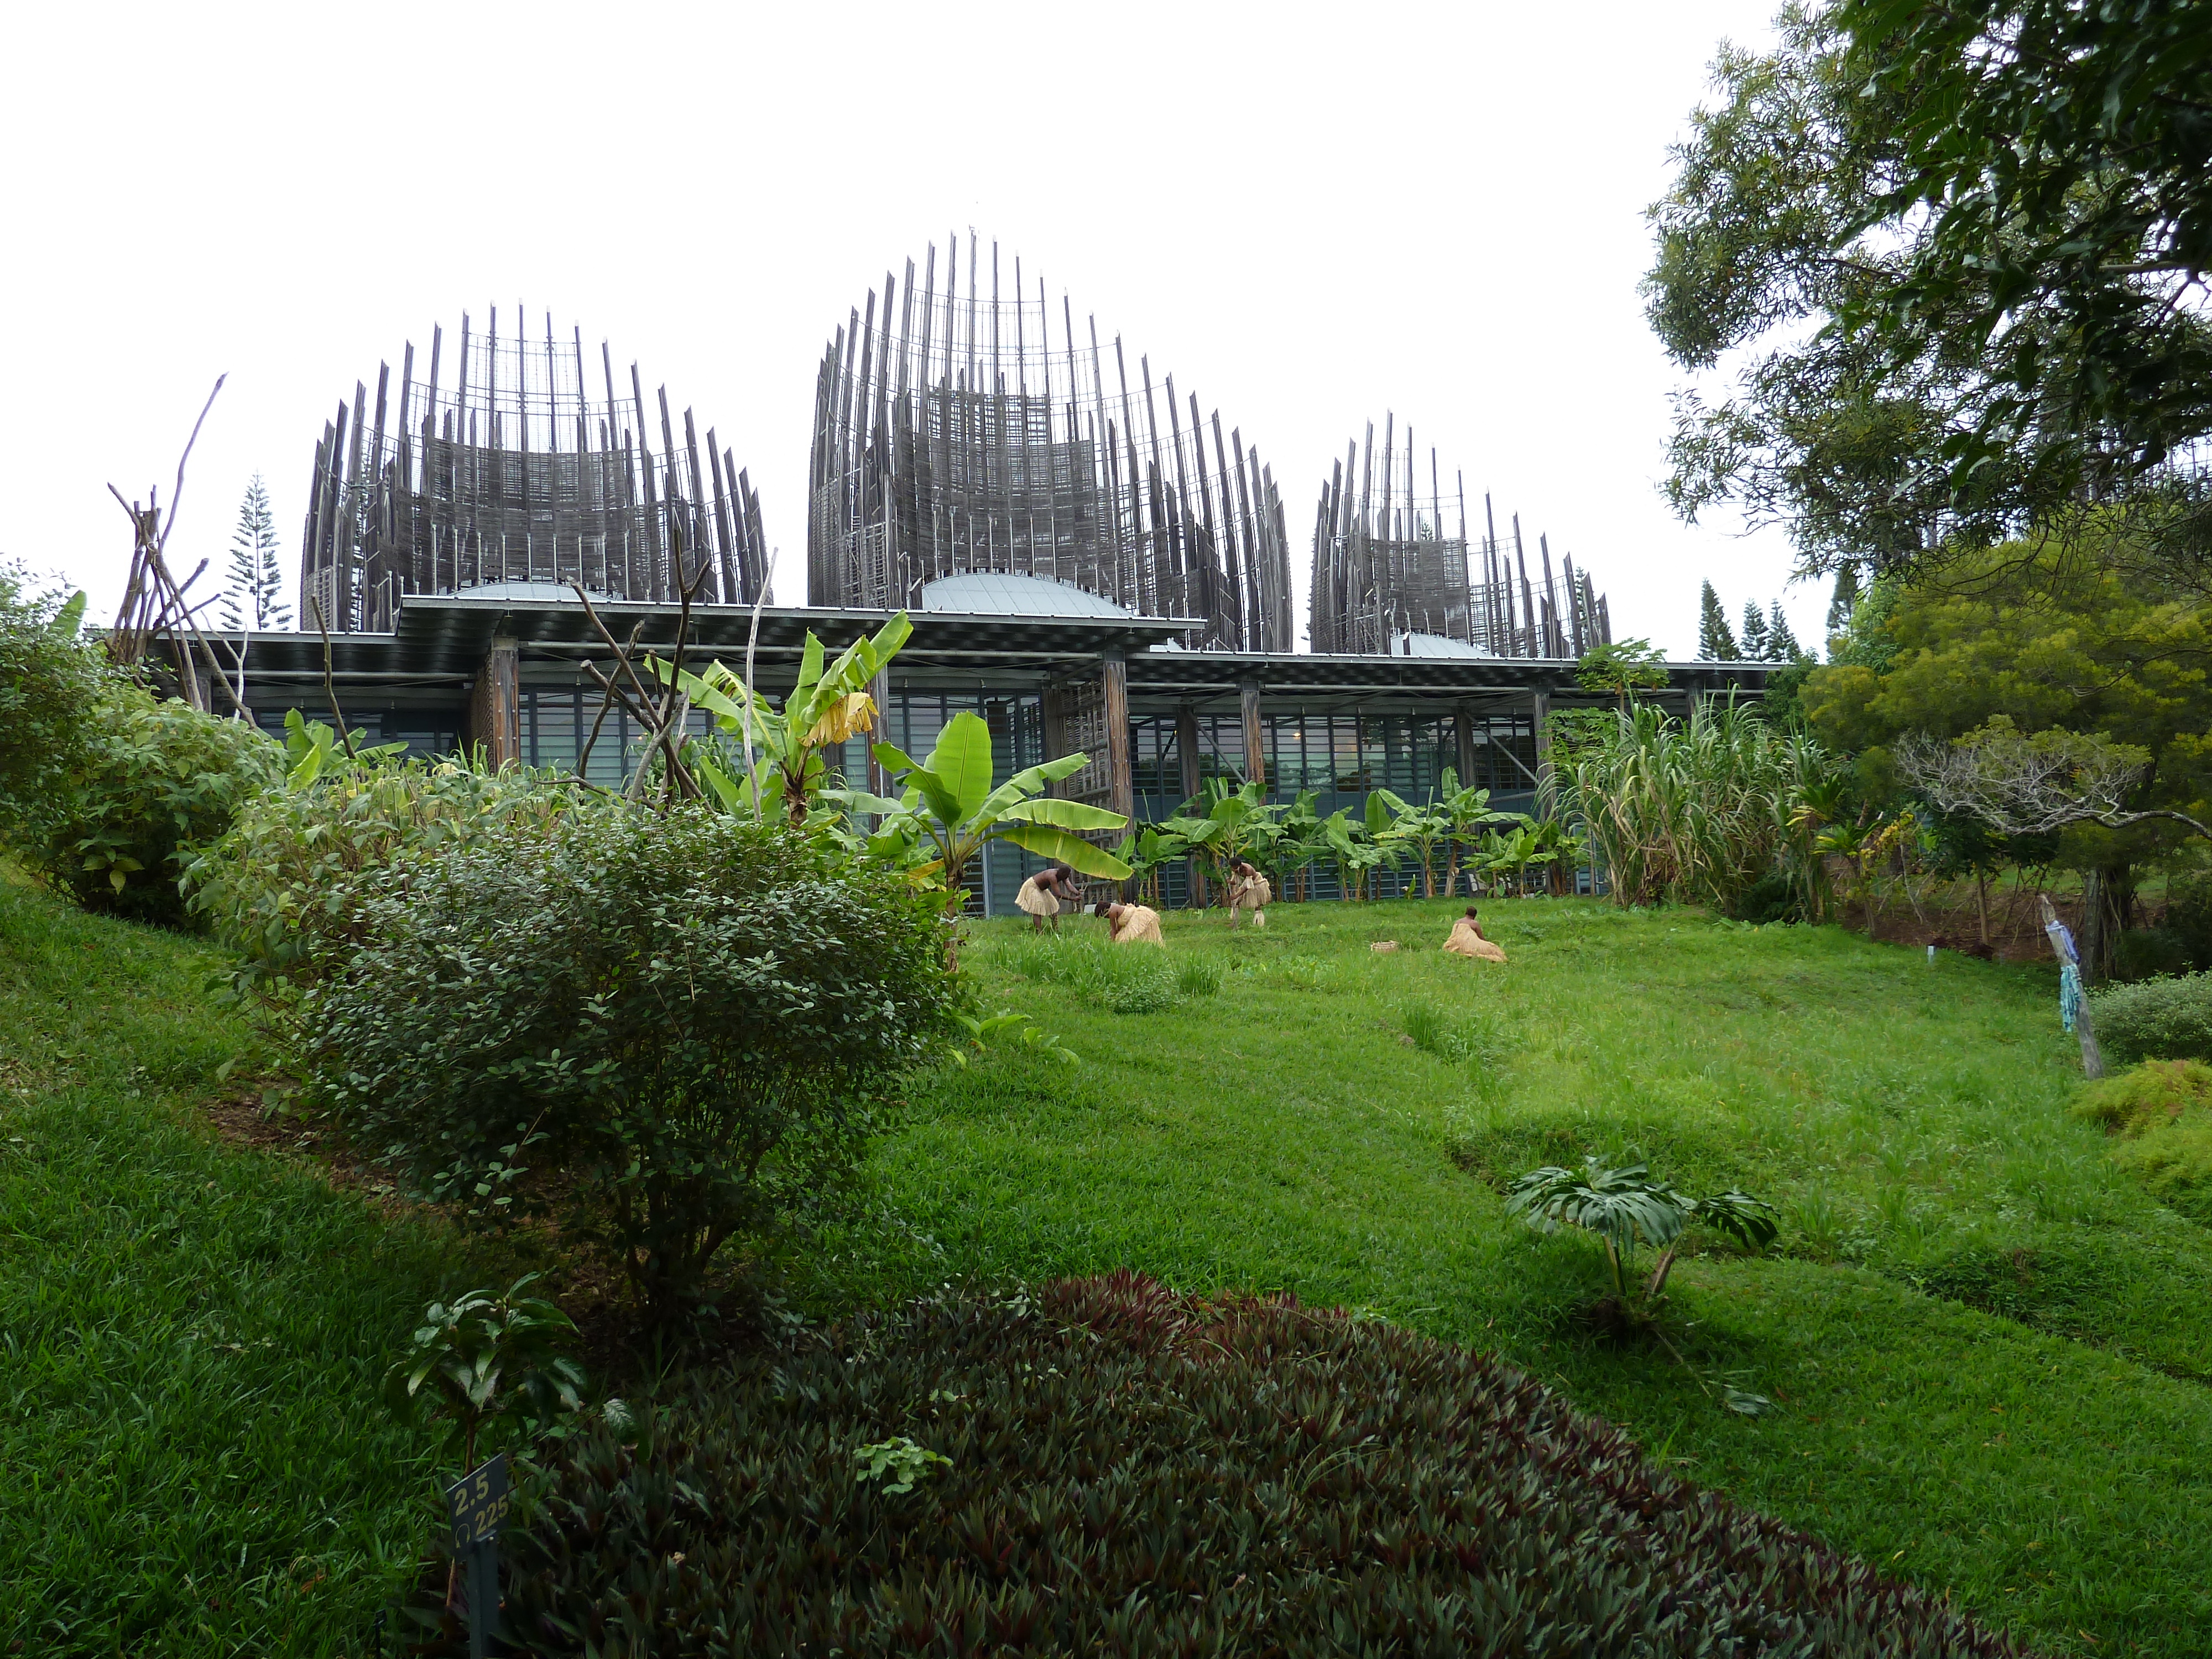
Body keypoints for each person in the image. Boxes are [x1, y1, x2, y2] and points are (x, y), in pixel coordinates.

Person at [1015, 861, 1082, 933]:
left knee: (1053, 907)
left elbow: (1069, 886)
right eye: (1066, 876)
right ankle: (1039, 932)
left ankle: (1056, 930)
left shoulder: (1063, 875)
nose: (1067, 878)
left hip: (1042, 889)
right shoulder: (1052, 876)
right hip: (1032, 886)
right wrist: (1073, 899)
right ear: (1062, 874)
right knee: (1038, 908)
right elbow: (1058, 894)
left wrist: (1077, 892)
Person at [1442, 905, 1507, 963]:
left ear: (1466, 913)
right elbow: (1481, 937)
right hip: (1468, 945)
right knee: (1493, 949)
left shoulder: (1457, 922)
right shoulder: (1474, 923)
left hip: (1455, 945)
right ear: (1474, 916)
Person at [1094, 900, 1165, 946]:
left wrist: (1113, 943)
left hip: (1138, 917)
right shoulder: (1114, 907)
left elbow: (1114, 929)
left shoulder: (1112, 912)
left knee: (1122, 941)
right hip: (1135, 916)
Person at [1224, 858, 1271, 928]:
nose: (1233, 869)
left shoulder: (1248, 869)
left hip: (1257, 884)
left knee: (1257, 904)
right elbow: (1238, 881)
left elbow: (1248, 886)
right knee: (1236, 902)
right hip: (1248, 884)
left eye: (1235, 867)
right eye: (1232, 868)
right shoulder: (1236, 869)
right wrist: (1230, 882)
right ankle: (1235, 922)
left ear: (1238, 865)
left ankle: (1259, 922)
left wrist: (1236, 895)